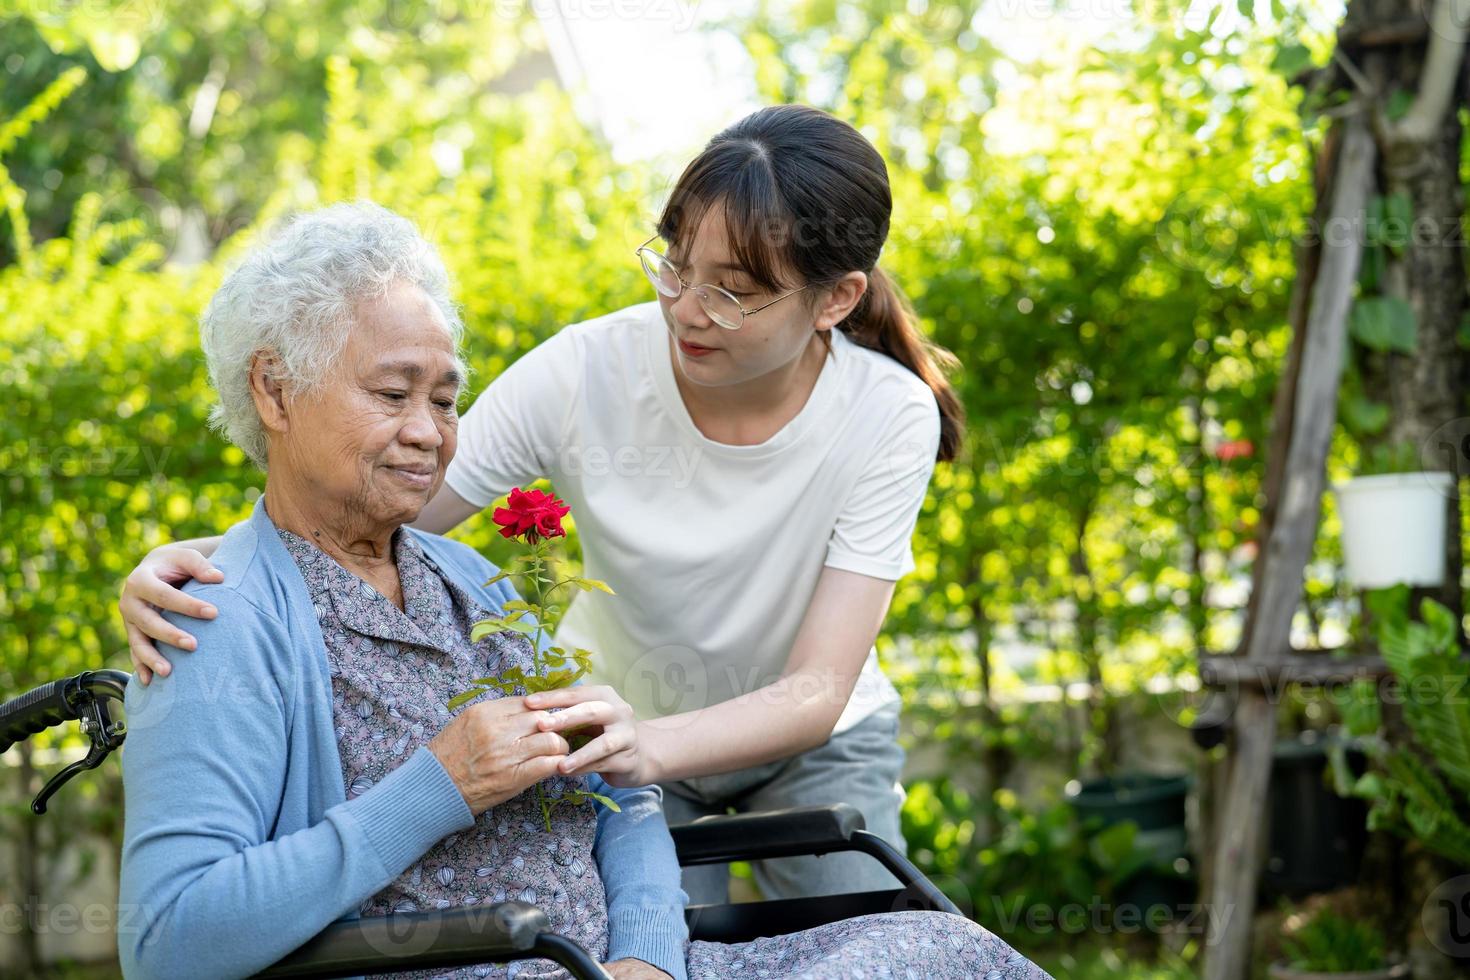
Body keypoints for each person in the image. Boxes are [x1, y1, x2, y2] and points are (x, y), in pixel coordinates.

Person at [116, 202, 1050, 980]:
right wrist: (437, 786)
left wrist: (648, 957)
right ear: (274, 393)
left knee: (938, 949)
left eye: (445, 401)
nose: (432, 433)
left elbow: (620, 799)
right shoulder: (213, 619)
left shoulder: (475, 586)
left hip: (626, 967)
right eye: (393, 392)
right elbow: (166, 942)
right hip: (497, 966)